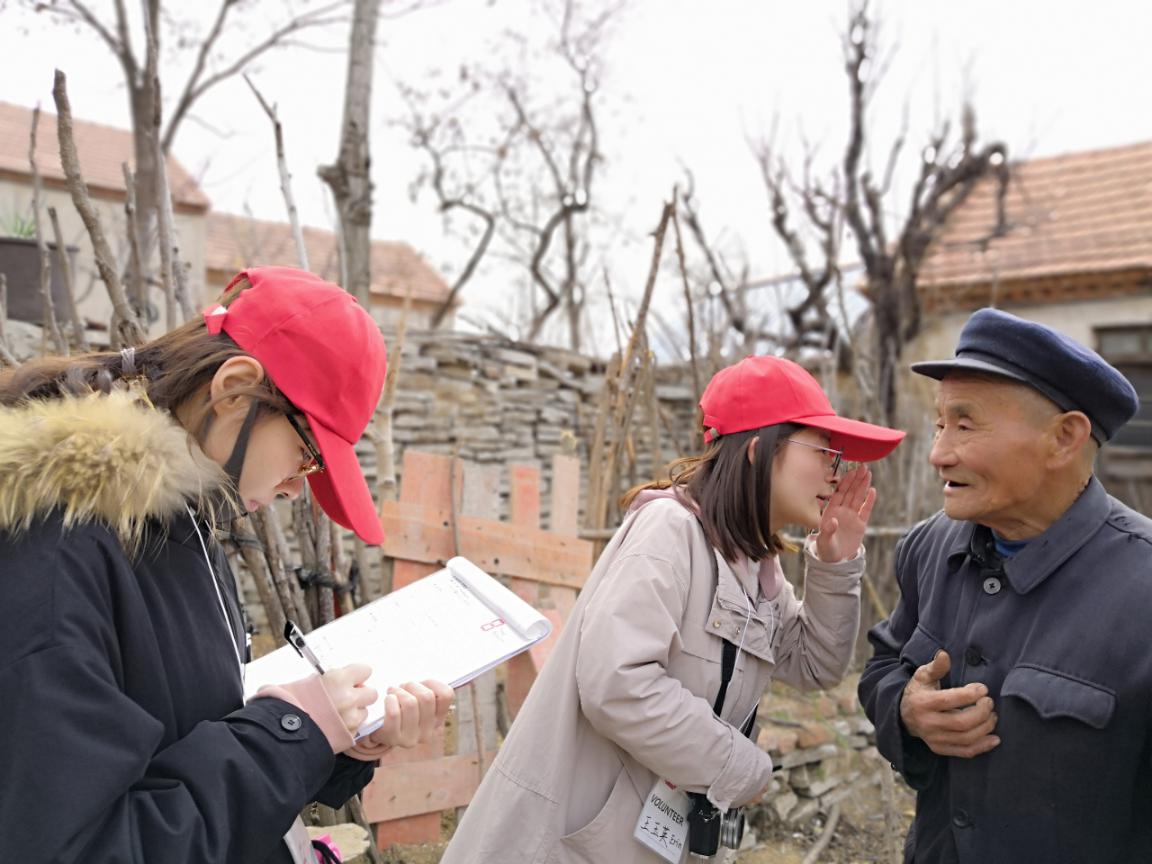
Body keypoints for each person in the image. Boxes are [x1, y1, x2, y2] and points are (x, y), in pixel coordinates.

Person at [0, 266, 453, 863]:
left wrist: (335, 740)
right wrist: (290, 731)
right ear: (235, 390)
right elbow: (82, 846)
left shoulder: (175, 521)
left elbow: (185, 737)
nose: (295, 487)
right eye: (307, 455)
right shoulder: (58, 554)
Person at [443, 355, 904, 864]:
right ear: (759, 451)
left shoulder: (756, 567)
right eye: (825, 452)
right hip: (573, 845)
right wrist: (742, 766)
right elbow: (618, 685)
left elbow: (816, 665)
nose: (836, 474)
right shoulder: (669, 532)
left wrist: (835, 564)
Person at [858, 308, 1151, 863]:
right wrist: (906, 711)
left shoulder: (1142, 587)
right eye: (940, 424)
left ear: (1063, 438)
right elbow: (883, 667)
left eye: (965, 425)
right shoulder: (929, 547)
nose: (938, 453)